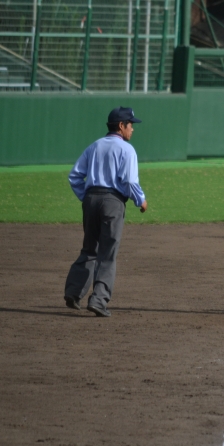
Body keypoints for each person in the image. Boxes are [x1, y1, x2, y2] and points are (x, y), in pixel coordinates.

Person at [64, 106, 148, 318]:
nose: (132, 129)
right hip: (113, 202)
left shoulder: (95, 146)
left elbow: (74, 176)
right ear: (121, 126)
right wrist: (140, 200)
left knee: (89, 249)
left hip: (91, 200)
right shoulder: (127, 149)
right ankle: (99, 300)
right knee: (107, 253)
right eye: (130, 125)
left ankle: (73, 292)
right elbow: (130, 181)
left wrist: (87, 197)